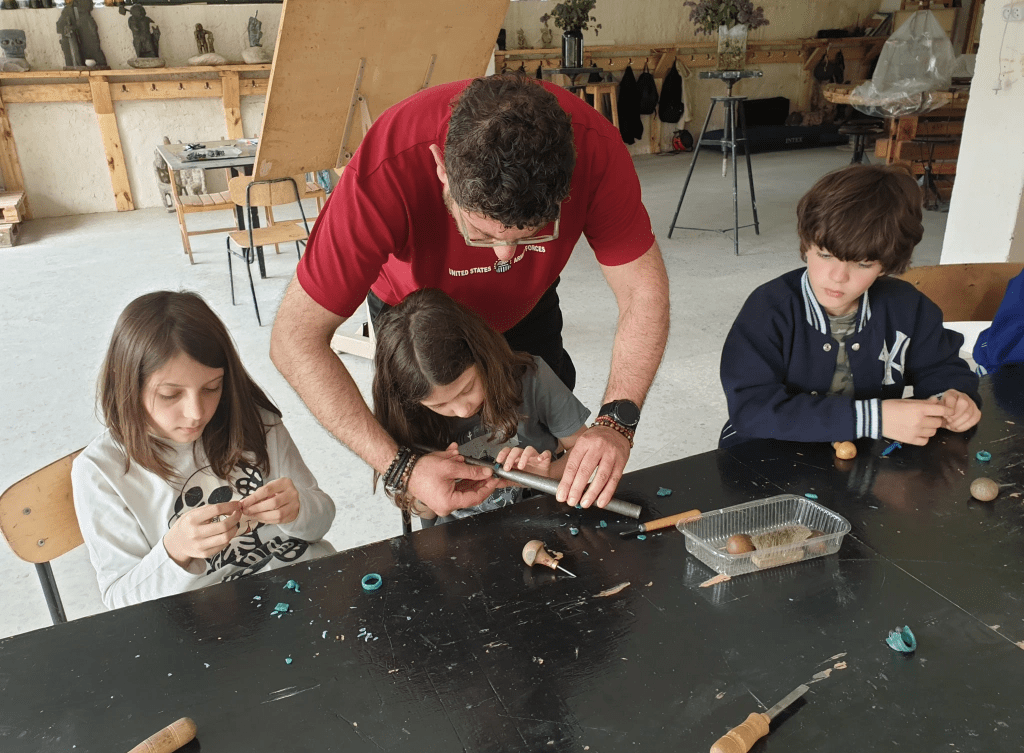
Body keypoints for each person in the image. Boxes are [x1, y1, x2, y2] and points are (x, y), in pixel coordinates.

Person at [271, 73, 669, 522]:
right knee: (429, 478)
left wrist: (616, 422)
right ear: (441, 168)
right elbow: (294, 339)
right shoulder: (387, 165)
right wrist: (400, 467)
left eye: (530, 234)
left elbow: (642, 289)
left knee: (546, 456)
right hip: (417, 321)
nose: (504, 257)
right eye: (480, 232)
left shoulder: (596, 148)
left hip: (528, 307)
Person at [72, 291, 336, 610]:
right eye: (170, 395)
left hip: (305, 586)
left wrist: (298, 510)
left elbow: (321, 523)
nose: (196, 413)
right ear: (127, 384)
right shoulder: (102, 470)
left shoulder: (255, 421)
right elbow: (120, 600)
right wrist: (175, 551)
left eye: (212, 388)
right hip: (208, 618)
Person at [719, 164, 981, 448]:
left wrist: (952, 398)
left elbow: (941, 368)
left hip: (864, 456)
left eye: (863, 264)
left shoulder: (908, 307)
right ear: (806, 244)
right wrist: (873, 418)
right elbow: (751, 410)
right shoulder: (767, 310)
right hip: (764, 453)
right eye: (825, 255)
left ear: (886, 265)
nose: (838, 277)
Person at [371, 289, 590, 526]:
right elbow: (425, 513)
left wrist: (548, 474)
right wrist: (426, 492)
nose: (463, 410)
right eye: (440, 404)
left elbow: (585, 451)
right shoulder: (407, 416)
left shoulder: (533, 379)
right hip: (457, 536)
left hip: (543, 519)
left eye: (467, 389)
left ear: (482, 356)